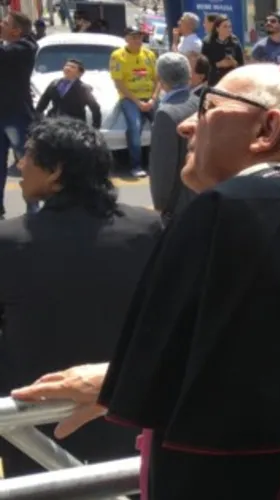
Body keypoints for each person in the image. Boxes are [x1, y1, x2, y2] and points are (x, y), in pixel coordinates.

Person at [15, 64, 280, 499]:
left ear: (267, 129)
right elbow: (256, 360)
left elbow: (197, 375)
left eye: (209, 107)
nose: (186, 126)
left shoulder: (229, 209)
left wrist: (119, 381)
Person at [0, 117, 161, 477]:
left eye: (27, 155)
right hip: (123, 416)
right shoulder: (146, 229)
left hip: (32, 427)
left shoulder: (8, 241)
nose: (19, 165)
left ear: (56, 171)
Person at [149, 53, 198, 222]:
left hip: (177, 203)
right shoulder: (199, 101)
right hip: (200, 193)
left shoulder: (166, 113)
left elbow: (163, 165)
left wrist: (160, 202)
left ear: (160, 79)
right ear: (189, 75)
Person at [0, 12, 38, 218]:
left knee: (26, 164)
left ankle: (33, 209)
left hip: (16, 115)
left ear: (16, 30)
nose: (1, 25)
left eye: (5, 23)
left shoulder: (26, 47)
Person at [110, 26, 158, 178]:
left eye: (139, 37)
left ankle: (159, 162)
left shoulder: (149, 54)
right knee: (134, 126)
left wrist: (153, 99)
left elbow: (158, 79)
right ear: (126, 39)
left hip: (150, 97)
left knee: (165, 123)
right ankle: (136, 165)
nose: (138, 40)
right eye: (134, 37)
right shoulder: (118, 56)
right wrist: (138, 103)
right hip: (130, 98)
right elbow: (119, 83)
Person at [35, 58, 101, 128]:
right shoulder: (54, 84)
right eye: (67, 65)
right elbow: (42, 103)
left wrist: (95, 127)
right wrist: (37, 119)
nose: (68, 68)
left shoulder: (83, 88)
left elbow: (95, 108)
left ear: (79, 73)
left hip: (73, 125)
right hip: (53, 123)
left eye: (73, 67)